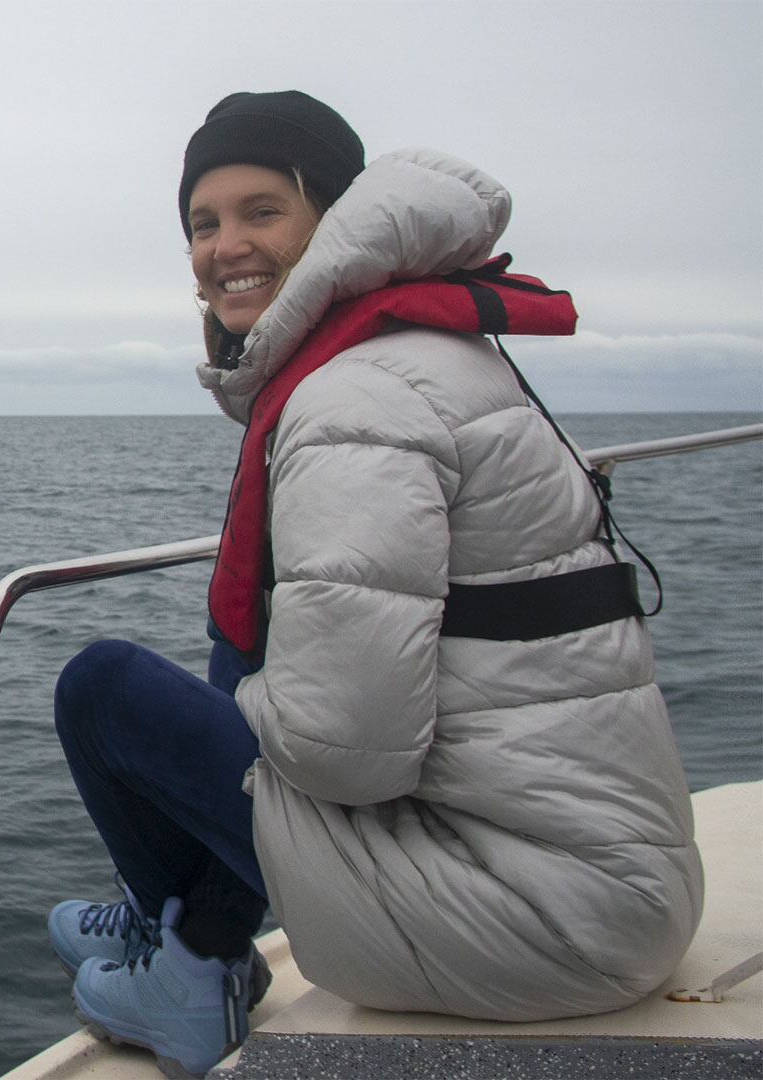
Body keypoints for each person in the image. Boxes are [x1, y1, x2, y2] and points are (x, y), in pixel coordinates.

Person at [44, 90, 702, 1075]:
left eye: (264, 211)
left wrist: (227, 723)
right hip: (603, 878)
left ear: (334, 220)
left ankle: (187, 961)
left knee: (105, 692)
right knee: (250, 653)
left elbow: (350, 755)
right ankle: (184, 930)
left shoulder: (355, 401)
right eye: (204, 222)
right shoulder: (415, 358)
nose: (227, 245)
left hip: (544, 919)